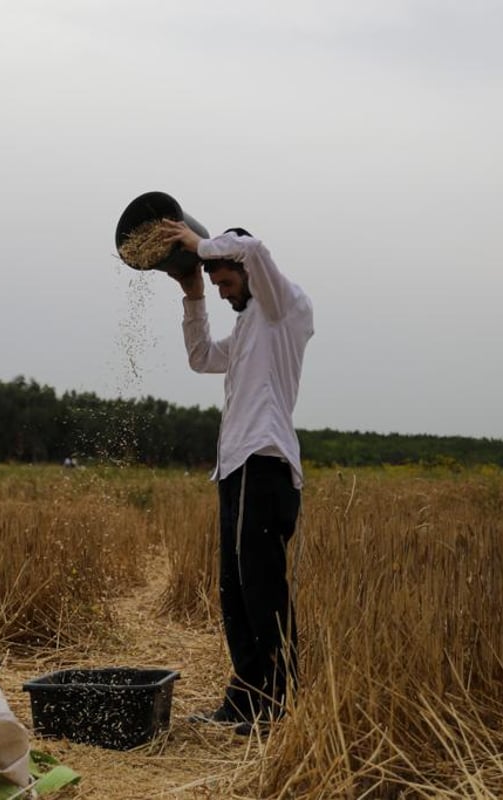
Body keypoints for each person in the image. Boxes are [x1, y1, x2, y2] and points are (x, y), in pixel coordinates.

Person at [159, 217, 314, 736]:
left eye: (225, 283)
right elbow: (201, 358)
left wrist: (199, 242)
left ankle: (280, 700)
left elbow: (257, 247)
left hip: (263, 462)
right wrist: (192, 291)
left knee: (261, 585)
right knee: (234, 587)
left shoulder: (284, 308)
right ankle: (248, 697)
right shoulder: (249, 326)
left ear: (245, 268)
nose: (224, 294)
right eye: (218, 286)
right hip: (235, 467)